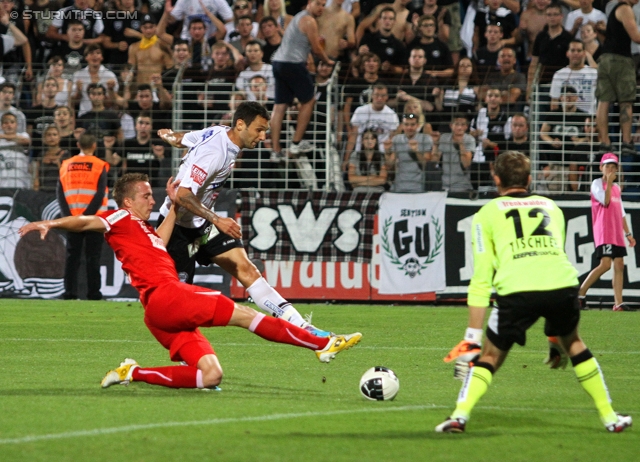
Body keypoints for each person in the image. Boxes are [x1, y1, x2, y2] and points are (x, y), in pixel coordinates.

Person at [19, 173, 362, 391]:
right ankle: (321, 345)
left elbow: (160, 238)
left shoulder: (144, 231)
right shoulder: (118, 217)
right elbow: (86, 223)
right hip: (167, 297)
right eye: (145, 196)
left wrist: (170, 205)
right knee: (245, 315)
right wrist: (51, 224)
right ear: (127, 201)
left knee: (210, 375)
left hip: (158, 315)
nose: (150, 200)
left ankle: (131, 373)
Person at [435, 151, 633, 434]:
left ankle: (459, 416)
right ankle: (610, 417)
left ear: (495, 179)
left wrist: (471, 338)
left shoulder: (485, 214)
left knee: (490, 356)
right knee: (574, 343)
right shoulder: (552, 207)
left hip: (517, 289)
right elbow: (552, 257)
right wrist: (555, 340)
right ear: (529, 180)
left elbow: (481, 279)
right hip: (562, 286)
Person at [157, 102, 343, 337]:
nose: (264, 136)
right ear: (241, 124)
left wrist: (170, 135)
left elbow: (185, 139)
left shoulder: (219, 131)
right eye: (259, 130)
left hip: (200, 223)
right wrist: (217, 219)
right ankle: (191, 366)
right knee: (179, 306)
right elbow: (183, 195)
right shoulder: (215, 152)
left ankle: (305, 329)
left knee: (247, 269)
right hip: (177, 227)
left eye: (265, 130)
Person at [270, 0, 335, 159]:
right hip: (292, 63)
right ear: (310, 3)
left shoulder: (298, 17)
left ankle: (276, 150)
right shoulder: (309, 20)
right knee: (309, 101)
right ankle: (296, 143)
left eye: (323, 5)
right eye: (318, 4)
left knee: (280, 106)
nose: (321, 8)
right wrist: (328, 61)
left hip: (278, 62)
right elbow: (316, 49)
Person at [578, 153, 637, 311]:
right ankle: (580, 294)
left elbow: (621, 212)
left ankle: (618, 303)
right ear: (601, 168)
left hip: (616, 230)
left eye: (613, 167)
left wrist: (628, 233)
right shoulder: (597, 183)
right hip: (604, 229)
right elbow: (605, 201)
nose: (610, 170)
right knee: (605, 264)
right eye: (607, 166)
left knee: (619, 265)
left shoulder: (617, 188)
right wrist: (609, 184)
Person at [57, 133, 109, 300]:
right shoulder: (100, 165)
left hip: (72, 217)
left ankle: (69, 293)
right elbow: (100, 194)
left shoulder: (65, 164)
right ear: (94, 145)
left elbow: (60, 192)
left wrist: (69, 216)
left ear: (78, 144)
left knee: (72, 258)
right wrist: (86, 217)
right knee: (93, 257)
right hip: (94, 219)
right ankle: (94, 294)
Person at [595, 0, 640, 156]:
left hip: (605, 59)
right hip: (621, 60)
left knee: (603, 100)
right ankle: (627, 142)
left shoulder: (615, 8)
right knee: (626, 101)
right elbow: (636, 37)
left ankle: (605, 142)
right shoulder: (625, 8)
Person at [385, 112, 437, 192]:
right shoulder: (397, 139)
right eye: (406, 124)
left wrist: (416, 151)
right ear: (402, 126)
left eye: (412, 125)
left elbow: (426, 165)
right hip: (399, 186)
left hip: (419, 187)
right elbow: (390, 165)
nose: (409, 128)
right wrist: (387, 151)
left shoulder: (425, 139)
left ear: (417, 126)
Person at [549, 40, 598, 113]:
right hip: (567, 119)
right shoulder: (559, 75)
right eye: (572, 50)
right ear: (567, 53)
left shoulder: (594, 73)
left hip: (588, 119)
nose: (575, 53)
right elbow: (554, 102)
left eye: (579, 50)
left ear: (584, 53)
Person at [434, 113, 474, 193]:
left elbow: (466, 164)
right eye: (456, 124)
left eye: (462, 124)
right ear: (451, 125)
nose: (459, 127)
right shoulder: (444, 138)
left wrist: (461, 144)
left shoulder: (470, 139)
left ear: (466, 127)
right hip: (445, 185)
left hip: (462, 186)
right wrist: (435, 144)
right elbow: (435, 161)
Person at [33, 125, 68, 193]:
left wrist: (58, 163)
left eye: (54, 135)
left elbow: (68, 175)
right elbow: (37, 176)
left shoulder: (65, 154)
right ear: (44, 138)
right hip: (43, 191)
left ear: (59, 137)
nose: (52, 137)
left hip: (60, 191)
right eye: (49, 135)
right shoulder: (41, 155)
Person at [0, 112, 30, 189]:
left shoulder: (23, 135)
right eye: (6, 123)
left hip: (20, 182)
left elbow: (25, 141)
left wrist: (3, 136)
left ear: (16, 125)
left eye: (12, 122)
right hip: (2, 183)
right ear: (1, 126)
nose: (9, 125)